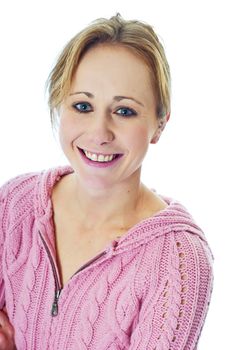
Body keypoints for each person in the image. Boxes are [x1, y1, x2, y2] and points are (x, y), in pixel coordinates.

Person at [0, 13, 214, 350]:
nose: (99, 133)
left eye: (125, 111)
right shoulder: (14, 204)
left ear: (160, 125)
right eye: (82, 105)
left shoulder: (178, 260)